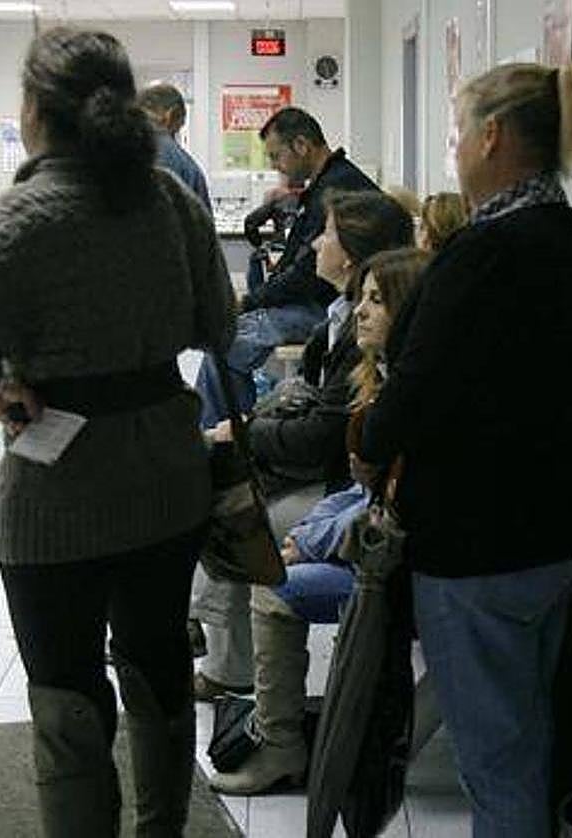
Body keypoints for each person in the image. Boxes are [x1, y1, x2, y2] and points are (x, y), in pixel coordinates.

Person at [0, 27, 236, 837]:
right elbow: (219, 323)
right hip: (164, 473)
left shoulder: (25, 215)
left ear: (36, 114)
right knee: (157, 665)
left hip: (56, 491)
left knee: (66, 691)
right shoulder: (171, 202)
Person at [354, 62, 572, 838]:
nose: (455, 148)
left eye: (458, 131)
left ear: (493, 135)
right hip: (563, 533)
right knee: (525, 731)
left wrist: (368, 442)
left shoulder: (486, 255)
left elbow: (415, 391)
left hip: (482, 547)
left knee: (496, 760)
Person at [209, 247, 431, 795]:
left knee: (272, 588)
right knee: (246, 525)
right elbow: (358, 492)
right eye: (360, 298)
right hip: (371, 536)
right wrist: (310, 537)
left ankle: (280, 743)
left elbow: (386, 506)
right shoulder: (375, 376)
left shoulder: (410, 396)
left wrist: (309, 543)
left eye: (376, 302)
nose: (359, 312)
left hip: (406, 565)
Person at [191, 191, 414, 703]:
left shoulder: (364, 341)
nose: (315, 241)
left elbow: (320, 439)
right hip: (332, 487)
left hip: (332, 488)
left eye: (328, 232)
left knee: (235, 516)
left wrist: (245, 432)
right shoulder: (340, 319)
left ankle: (230, 668)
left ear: (354, 256)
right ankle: (217, 644)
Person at [194, 106, 377, 428]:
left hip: (322, 306)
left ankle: (224, 437)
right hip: (325, 302)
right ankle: (226, 431)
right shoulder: (330, 183)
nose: (274, 165)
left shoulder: (337, 189)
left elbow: (307, 274)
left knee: (224, 342)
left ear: (302, 146)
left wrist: (249, 302)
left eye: (277, 156)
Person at [138, 83, 211, 212]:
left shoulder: (110, 154)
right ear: (171, 115)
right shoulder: (187, 168)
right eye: (179, 126)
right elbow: (203, 228)